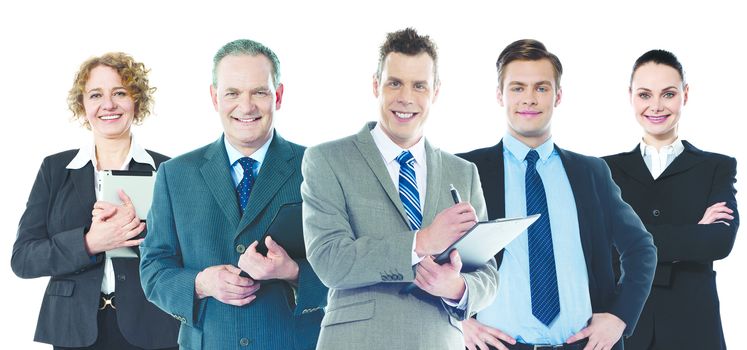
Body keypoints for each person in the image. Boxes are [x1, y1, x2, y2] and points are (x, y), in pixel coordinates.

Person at [301, 28, 498, 350]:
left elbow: (487, 274)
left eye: (419, 85)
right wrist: (422, 242)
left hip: (438, 339)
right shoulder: (328, 159)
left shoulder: (463, 172)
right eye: (395, 83)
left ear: (435, 91)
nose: (406, 97)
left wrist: (457, 287)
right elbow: (329, 261)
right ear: (375, 85)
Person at [457, 39, 656, 350]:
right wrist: (458, 321)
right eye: (517, 88)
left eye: (541, 88)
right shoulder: (466, 169)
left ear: (558, 95)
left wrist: (620, 317)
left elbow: (641, 248)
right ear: (500, 95)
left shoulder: (591, 173)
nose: (529, 99)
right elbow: (427, 258)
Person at [139, 39, 328, 350]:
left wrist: (292, 272)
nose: (246, 106)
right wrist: (200, 284)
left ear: (277, 96)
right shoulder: (175, 175)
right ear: (215, 97)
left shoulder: (318, 168)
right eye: (233, 93)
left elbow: (346, 269)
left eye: (259, 92)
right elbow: (153, 269)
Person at [11, 52, 179, 349]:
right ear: (82, 104)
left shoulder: (168, 170)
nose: (108, 104)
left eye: (119, 92)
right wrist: (89, 243)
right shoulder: (55, 170)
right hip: (72, 329)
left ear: (136, 100)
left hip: (151, 326)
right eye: (95, 94)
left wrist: (137, 232)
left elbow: (189, 254)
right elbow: (24, 258)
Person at [602, 50, 738, 350]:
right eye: (644, 94)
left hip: (693, 329)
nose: (656, 106)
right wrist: (693, 233)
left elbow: (718, 242)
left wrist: (631, 243)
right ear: (631, 97)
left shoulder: (716, 166)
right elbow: (597, 248)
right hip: (622, 330)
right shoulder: (604, 170)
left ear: (685, 95)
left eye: (668, 94)